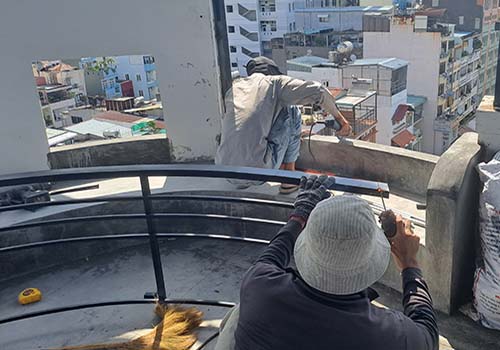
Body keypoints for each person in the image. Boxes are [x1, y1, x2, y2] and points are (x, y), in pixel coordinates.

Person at [215, 176, 439, 350]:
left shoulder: (260, 286)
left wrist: (300, 213)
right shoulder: (389, 335)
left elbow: (273, 253)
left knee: (239, 313)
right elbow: (428, 334)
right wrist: (409, 262)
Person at [216, 57, 351, 192]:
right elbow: (319, 92)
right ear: (273, 72)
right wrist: (342, 122)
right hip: (258, 172)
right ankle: (289, 179)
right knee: (291, 109)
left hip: (225, 170)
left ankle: (263, 172)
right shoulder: (275, 83)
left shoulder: (234, 88)